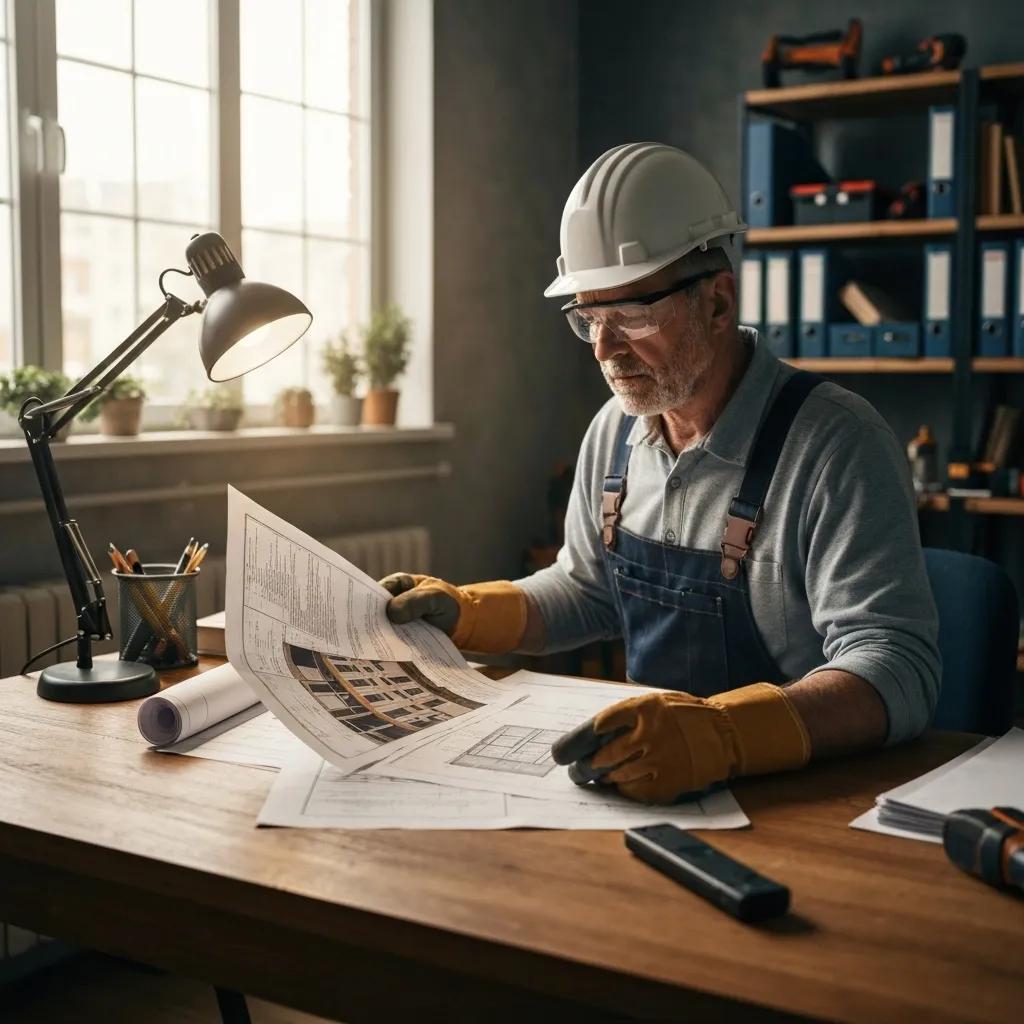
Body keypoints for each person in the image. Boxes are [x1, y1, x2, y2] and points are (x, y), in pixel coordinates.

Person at [380, 142, 940, 805]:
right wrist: (467, 614)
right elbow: (587, 591)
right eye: (589, 317)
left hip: (803, 797)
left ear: (719, 303)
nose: (604, 349)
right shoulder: (613, 432)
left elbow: (898, 670)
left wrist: (726, 736)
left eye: (633, 316)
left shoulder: (836, 446)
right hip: (648, 782)